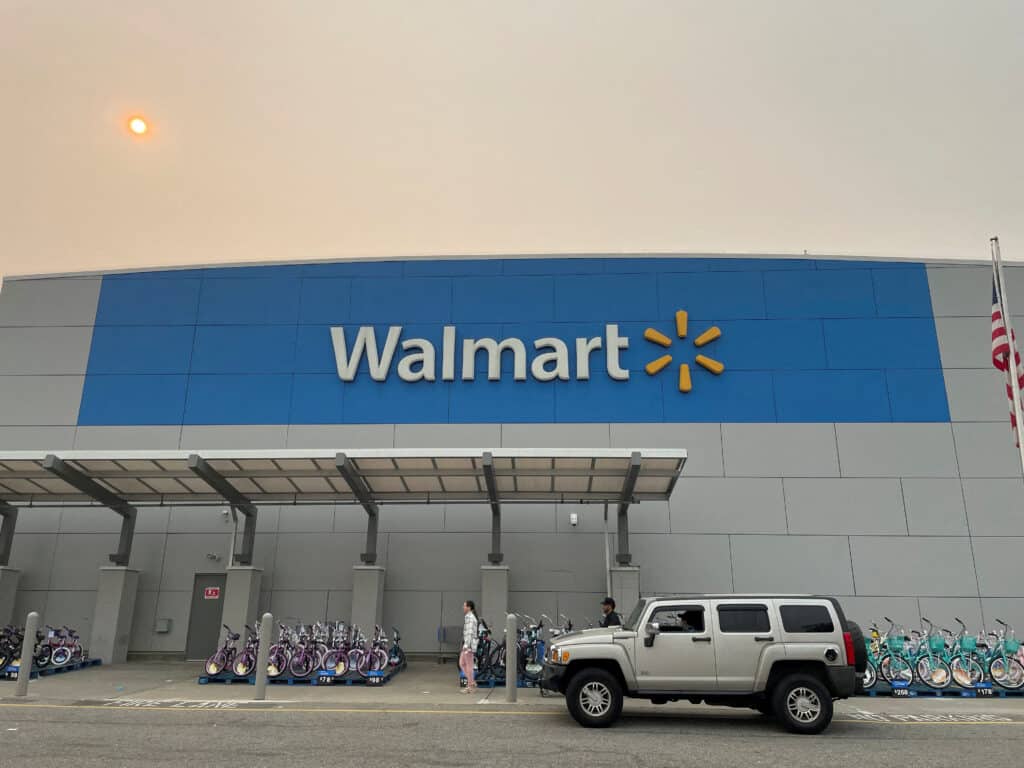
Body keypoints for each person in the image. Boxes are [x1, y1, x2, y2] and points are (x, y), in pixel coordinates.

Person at [460, 600, 479, 693]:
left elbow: (470, 632)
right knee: (462, 663)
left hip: (469, 645)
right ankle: (472, 682)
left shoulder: (471, 618)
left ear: (469, 607)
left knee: (468, 665)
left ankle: (470, 687)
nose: (463, 607)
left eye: (464, 606)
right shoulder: (468, 617)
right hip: (468, 644)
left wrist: (466, 645)